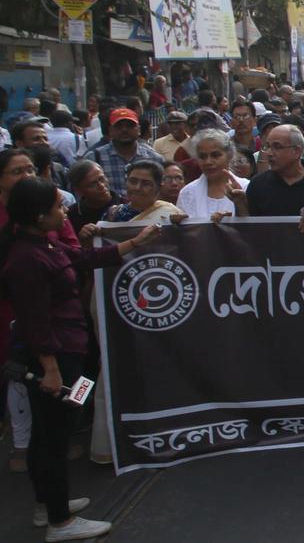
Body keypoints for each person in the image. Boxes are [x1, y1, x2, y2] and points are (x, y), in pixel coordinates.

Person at [1, 178, 161, 541]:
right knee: (54, 440)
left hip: (72, 354)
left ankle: (49, 503)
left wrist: (135, 242)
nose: (65, 212)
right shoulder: (26, 260)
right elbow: (35, 321)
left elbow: (86, 257)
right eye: (59, 207)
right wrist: (52, 370)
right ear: (40, 215)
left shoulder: (44, 244)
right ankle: (60, 523)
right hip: (57, 364)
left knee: (51, 431)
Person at [246, 125, 304, 231]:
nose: (269, 153)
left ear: (297, 151)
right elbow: (249, 229)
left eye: (277, 147)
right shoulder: (257, 184)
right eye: (267, 146)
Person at [176, 129, 249, 222]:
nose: (208, 162)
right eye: (202, 157)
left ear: (229, 155)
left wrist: (240, 206)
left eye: (215, 155)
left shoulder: (246, 188)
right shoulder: (188, 193)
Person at [90, 109, 162, 200]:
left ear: (139, 129)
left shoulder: (154, 158)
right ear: (110, 130)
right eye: (119, 126)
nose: (124, 130)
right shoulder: (95, 158)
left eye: (130, 126)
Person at [101, 160, 184, 224]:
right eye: (133, 182)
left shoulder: (171, 214)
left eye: (146, 184)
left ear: (159, 187)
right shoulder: (113, 214)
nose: (137, 188)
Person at [65, 160, 119, 232]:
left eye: (102, 179)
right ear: (78, 190)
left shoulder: (129, 205)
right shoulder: (71, 216)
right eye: (93, 184)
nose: (102, 186)